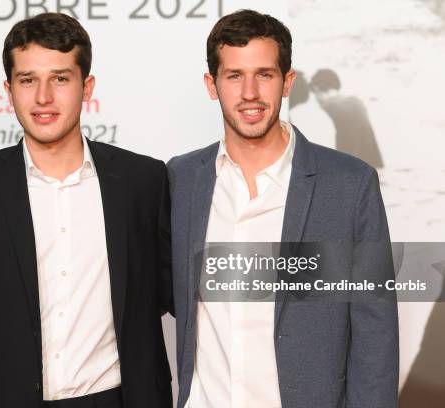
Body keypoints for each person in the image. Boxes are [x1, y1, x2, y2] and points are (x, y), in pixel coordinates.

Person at [0, 13, 173, 408]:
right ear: (8, 89)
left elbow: (174, 294)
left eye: (59, 78)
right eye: (28, 80)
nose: (43, 98)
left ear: (86, 87)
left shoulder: (144, 180)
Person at [168, 9, 398, 408]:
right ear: (212, 84)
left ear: (287, 81)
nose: (250, 92)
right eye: (234, 76)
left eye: (265, 74)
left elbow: (375, 333)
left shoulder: (349, 184)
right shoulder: (181, 178)